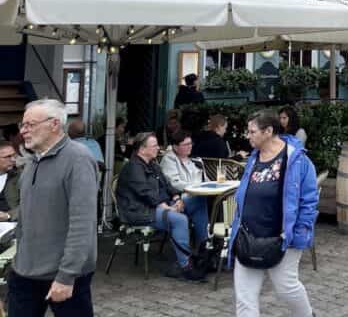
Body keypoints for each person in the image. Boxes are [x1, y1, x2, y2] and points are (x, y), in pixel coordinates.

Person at [9, 99, 98, 315]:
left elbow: (82, 224)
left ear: (54, 124)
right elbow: (31, 212)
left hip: (64, 275)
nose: (23, 131)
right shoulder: (32, 161)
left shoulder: (78, 159)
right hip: (25, 271)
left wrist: (66, 276)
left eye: (30, 125)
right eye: (23, 125)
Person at [229, 111, 318, 317]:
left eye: (252, 131)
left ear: (268, 131)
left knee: (286, 288)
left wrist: (299, 233)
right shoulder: (253, 157)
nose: (247, 135)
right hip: (249, 235)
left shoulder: (297, 160)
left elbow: (309, 201)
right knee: (245, 297)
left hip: (282, 237)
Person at [117, 132, 209, 280]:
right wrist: (165, 206)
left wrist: (177, 198)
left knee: (198, 200)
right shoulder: (133, 167)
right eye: (154, 146)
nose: (158, 148)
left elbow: (167, 184)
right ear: (142, 149)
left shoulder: (152, 164)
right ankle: (185, 265)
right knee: (179, 219)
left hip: (159, 205)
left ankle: (204, 251)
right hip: (140, 211)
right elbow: (145, 193)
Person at [0, 141, 20, 222]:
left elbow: (31, 205)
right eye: (7, 157)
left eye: (14, 156)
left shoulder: (21, 177)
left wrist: (8, 215)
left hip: (12, 225)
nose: (13, 159)